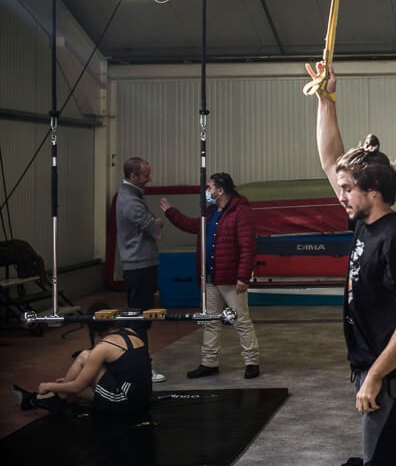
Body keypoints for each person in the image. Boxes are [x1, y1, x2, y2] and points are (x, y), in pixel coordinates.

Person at [311, 60, 396, 465]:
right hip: (378, 370)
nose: (340, 194)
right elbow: (331, 160)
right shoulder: (365, 223)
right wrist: (327, 99)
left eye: (348, 189)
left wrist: (377, 376)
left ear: (374, 190)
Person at [160, 172, 261, 379]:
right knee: (210, 321)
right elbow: (191, 225)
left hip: (231, 279)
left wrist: (243, 277)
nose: (207, 192)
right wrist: (171, 212)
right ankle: (209, 362)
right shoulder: (211, 211)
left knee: (241, 320)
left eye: (209, 188)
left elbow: (247, 247)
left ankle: (251, 362)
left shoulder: (241, 212)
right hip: (210, 278)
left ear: (220, 190)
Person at [12, 319, 152, 415]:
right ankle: (50, 398)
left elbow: (76, 387)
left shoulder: (103, 347)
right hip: (142, 397)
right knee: (74, 383)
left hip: (124, 402)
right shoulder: (131, 332)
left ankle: (49, 398)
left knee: (84, 359)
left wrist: (48, 386)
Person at [116, 156, 166, 383]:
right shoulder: (129, 200)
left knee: (142, 317)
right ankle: (141, 368)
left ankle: (139, 365)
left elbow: (151, 225)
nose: (150, 178)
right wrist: (157, 223)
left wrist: (153, 223)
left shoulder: (134, 195)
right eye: (146, 175)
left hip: (143, 263)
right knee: (138, 319)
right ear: (133, 176)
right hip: (139, 265)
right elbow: (155, 230)